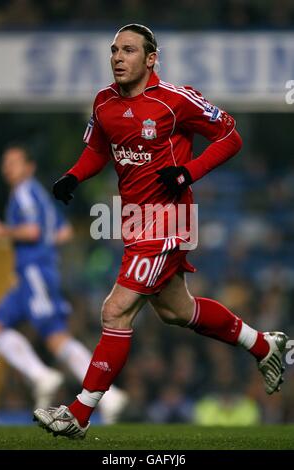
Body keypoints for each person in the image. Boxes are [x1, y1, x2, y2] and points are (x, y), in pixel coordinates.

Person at [33, 24, 288, 439]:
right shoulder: (103, 103)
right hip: (135, 224)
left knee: (115, 310)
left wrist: (188, 172)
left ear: (151, 59)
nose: (117, 57)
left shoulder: (175, 100)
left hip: (169, 221)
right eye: (114, 49)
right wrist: (73, 176)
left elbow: (230, 136)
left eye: (129, 50)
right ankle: (264, 345)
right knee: (176, 311)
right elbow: (98, 149)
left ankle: (78, 414)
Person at [0, 144, 128, 423]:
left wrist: (4, 231)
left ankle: (107, 393)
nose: (7, 167)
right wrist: (41, 250)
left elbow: (33, 231)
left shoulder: (25, 194)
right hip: (33, 274)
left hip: (35, 273)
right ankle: (42, 376)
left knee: (55, 337)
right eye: (6, 162)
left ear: (29, 167)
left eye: (14, 162)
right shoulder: (38, 195)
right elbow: (63, 233)